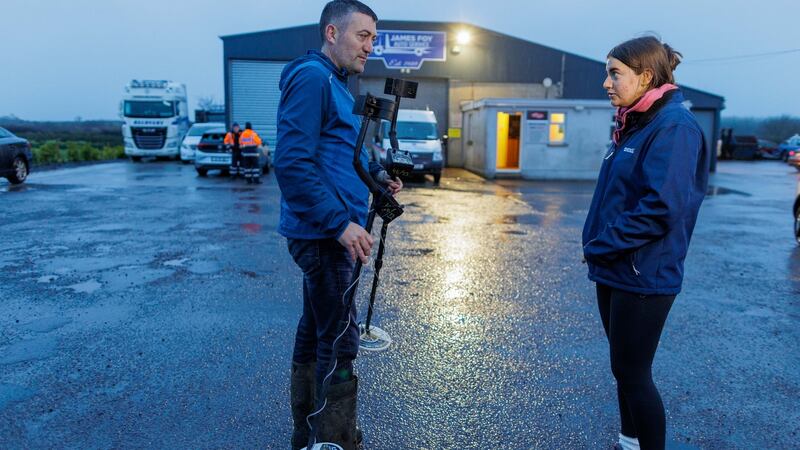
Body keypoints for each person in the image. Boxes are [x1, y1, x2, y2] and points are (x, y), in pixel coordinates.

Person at [273, 1, 401, 449]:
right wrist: (339, 225)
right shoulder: (312, 78)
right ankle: (334, 439)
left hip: (326, 231)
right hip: (324, 235)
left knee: (317, 329)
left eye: (373, 38)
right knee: (340, 338)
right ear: (332, 32)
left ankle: (309, 432)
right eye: (362, 36)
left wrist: (379, 177)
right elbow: (290, 163)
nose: (370, 46)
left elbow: (345, 151)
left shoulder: (335, 84)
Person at [582, 36, 710, 450]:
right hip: (617, 267)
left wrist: (602, 244)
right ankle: (628, 442)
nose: (606, 82)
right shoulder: (634, 122)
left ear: (646, 76)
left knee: (635, 374)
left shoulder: (674, 127)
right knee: (623, 370)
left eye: (614, 73)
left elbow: (661, 207)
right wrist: (601, 246)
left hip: (643, 273)